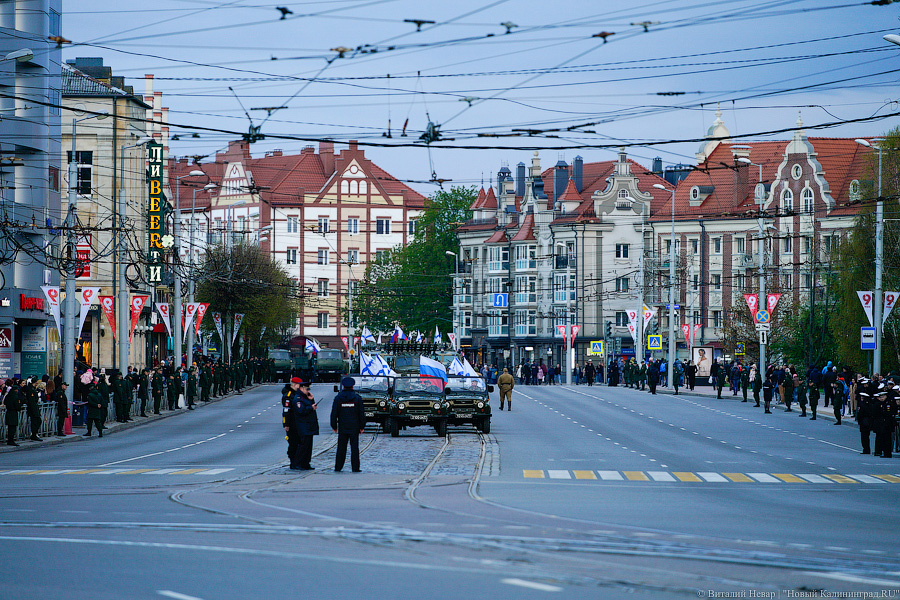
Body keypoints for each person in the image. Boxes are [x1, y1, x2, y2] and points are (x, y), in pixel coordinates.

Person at [331, 376, 364, 472]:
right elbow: (361, 414)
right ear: (353, 386)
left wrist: (334, 426)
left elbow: (334, 413)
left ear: (343, 386)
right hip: (354, 426)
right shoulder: (357, 398)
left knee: (341, 448)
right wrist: (362, 426)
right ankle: (355, 468)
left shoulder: (338, 398)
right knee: (354, 448)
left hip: (343, 426)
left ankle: (338, 467)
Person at [3, 379, 21, 446]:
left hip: (8, 412)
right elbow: (17, 406)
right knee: (13, 428)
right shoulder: (15, 396)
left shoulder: (8, 395)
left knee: (9, 427)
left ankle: (9, 439)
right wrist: (19, 407)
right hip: (13, 413)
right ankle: (11, 440)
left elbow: (5, 402)